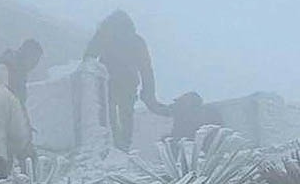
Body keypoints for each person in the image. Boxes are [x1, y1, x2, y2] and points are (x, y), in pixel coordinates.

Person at [83, 10, 160, 152]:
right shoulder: (136, 40)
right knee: (125, 115)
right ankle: (123, 145)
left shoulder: (104, 36)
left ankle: (113, 145)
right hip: (126, 84)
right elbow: (146, 69)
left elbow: (89, 58)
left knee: (108, 115)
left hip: (106, 84)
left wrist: (90, 81)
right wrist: (148, 93)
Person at [156, 91, 223, 140]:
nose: (176, 106)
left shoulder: (208, 115)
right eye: (178, 103)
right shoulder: (181, 116)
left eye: (180, 103)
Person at [0, 38, 44, 106]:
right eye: (34, 60)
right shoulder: (9, 69)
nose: (34, 65)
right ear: (27, 55)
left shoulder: (19, 72)